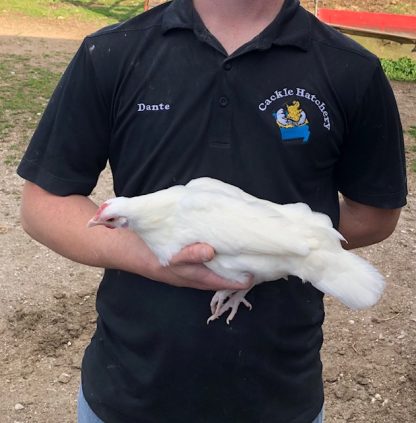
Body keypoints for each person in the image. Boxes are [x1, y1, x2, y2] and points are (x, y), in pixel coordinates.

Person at [17, 0, 407, 422]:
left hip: (278, 394)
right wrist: (154, 257)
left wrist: (280, 242)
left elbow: (374, 215)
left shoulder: (350, 67)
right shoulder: (113, 51)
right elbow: (43, 204)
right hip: (128, 390)